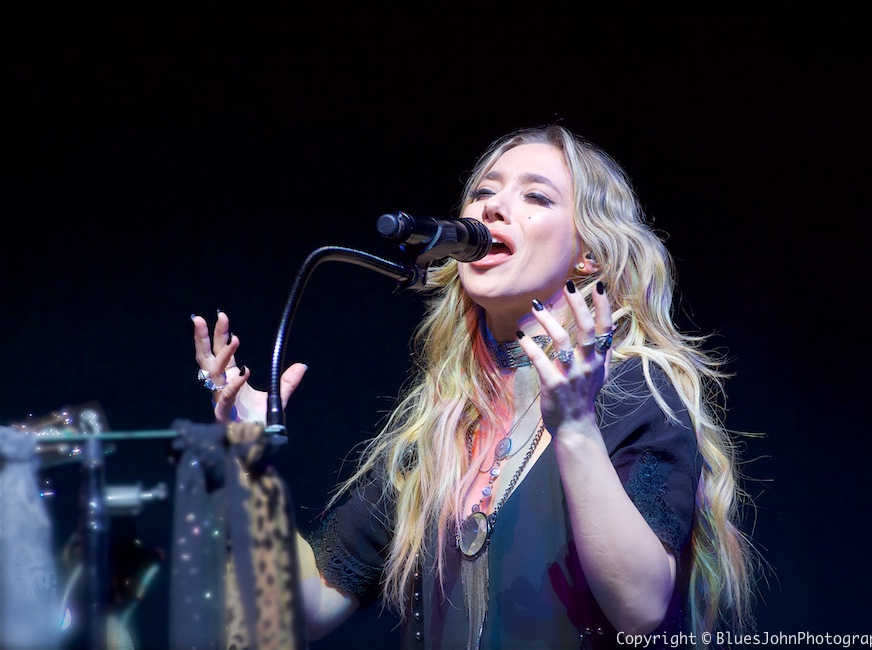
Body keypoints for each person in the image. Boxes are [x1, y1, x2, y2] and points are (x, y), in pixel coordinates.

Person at [192, 125, 756, 649]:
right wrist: (247, 462)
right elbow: (300, 611)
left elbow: (640, 609)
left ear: (588, 255)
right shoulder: (442, 422)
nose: (493, 207)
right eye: (485, 191)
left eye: (536, 197)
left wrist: (576, 430)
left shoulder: (633, 388)